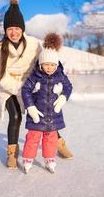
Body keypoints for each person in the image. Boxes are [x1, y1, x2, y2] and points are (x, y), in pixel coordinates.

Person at [0, 0, 72, 170]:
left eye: (16, 28)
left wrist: (52, 80)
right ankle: (12, 152)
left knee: (46, 113)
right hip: (9, 89)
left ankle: (59, 143)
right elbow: (1, 77)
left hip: (32, 85)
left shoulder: (33, 44)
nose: (13, 32)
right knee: (15, 117)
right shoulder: (1, 48)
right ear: (5, 30)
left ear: (22, 28)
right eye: (9, 29)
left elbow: (47, 61)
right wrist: (20, 88)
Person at [21, 33, 73, 173]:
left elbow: (68, 87)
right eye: (46, 64)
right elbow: (25, 90)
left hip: (53, 116)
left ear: (56, 65)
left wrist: (63, 97)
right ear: (40, 64)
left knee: (51, 138)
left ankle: (50, 159)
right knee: (33, 137)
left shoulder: (60, 76)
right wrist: (30, 106)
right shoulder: (35, 76)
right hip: (37, 114)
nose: (49, 67)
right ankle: (28, 159)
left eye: (52, 65)